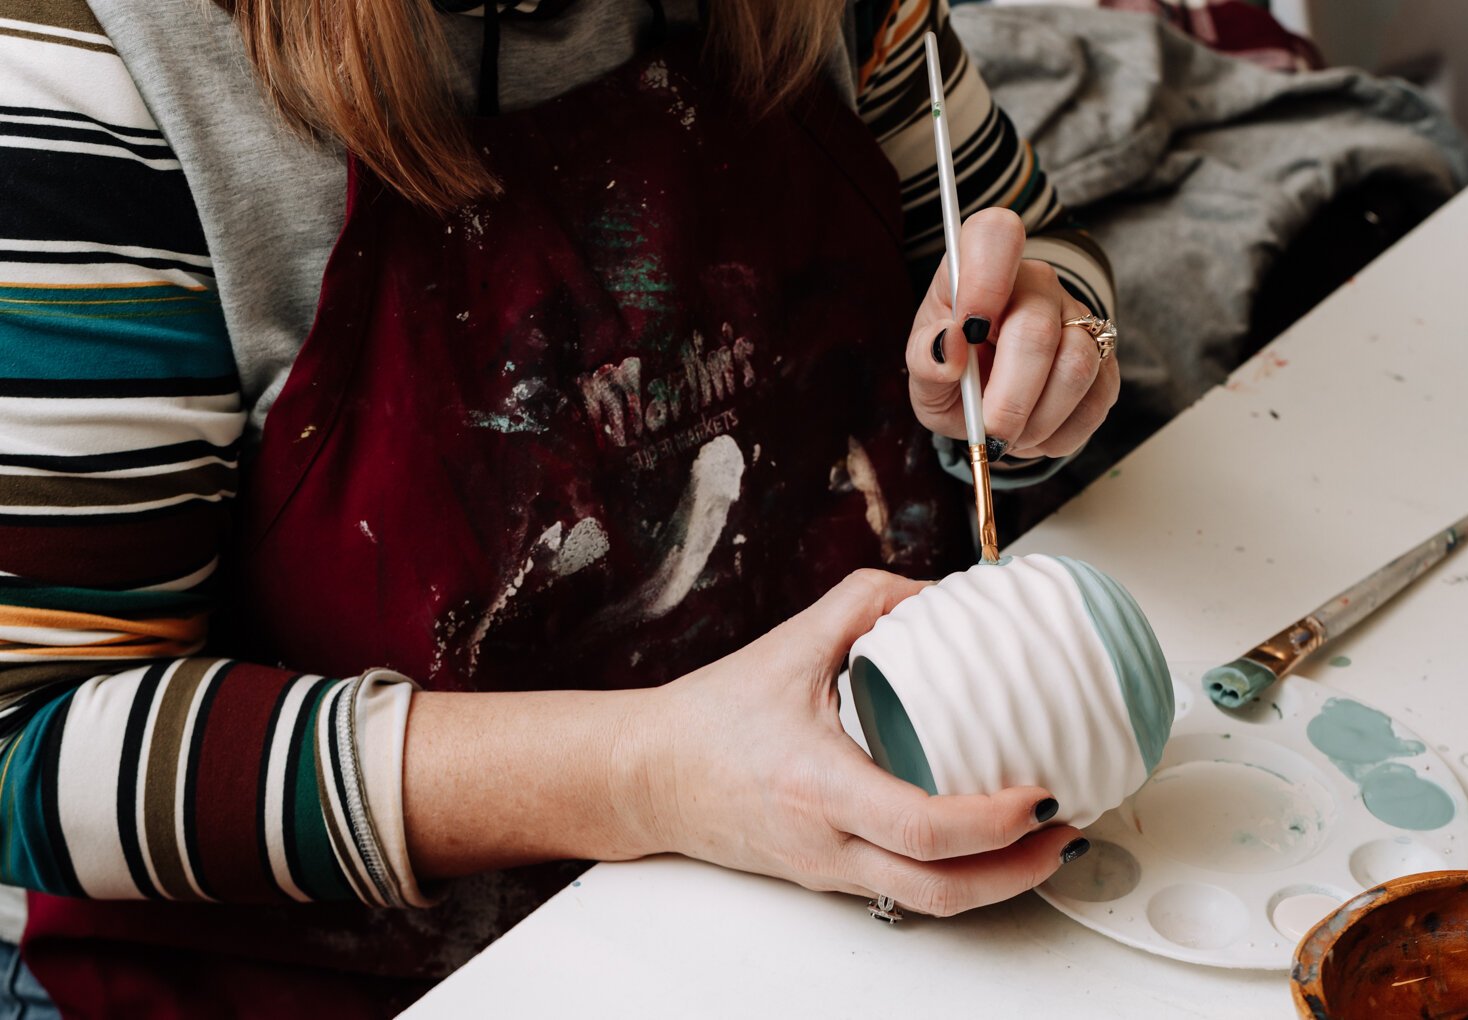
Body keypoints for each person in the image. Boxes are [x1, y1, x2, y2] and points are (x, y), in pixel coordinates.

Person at [0, 0, 1119, 1014]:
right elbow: (28, 748)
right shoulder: (93, 72)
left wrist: (1039, 360)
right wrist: (647, 774)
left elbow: (1034, 259)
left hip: (836, 899)